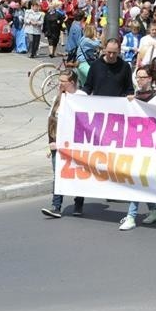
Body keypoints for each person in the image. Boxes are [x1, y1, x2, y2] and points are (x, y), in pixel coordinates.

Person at [118, 68, 156, 231]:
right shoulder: (135, 96)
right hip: (136, 143)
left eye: (142, 77)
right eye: (137, 77)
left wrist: (135, 104)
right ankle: (153, 211)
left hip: (149, 145)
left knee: (137, 179)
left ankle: (131, 216)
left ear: (150, 78)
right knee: (141, 179)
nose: (139, 80)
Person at [40, 69, 86, 218]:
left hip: (75, 145)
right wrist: (51, 142)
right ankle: (56, 206)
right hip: (57, 145)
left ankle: (78, 203)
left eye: (63, 81)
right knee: (58, 175)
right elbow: (52, 120)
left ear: (71, 82)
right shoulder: (58, 98)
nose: (59, 83)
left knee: (77, 174)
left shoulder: (81, 97)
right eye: (59, 80)